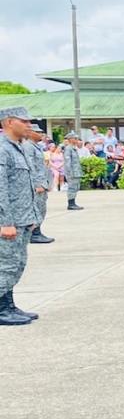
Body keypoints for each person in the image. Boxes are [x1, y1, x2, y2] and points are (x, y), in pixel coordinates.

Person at [0, 107, 42, 325]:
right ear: (8, 122)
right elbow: (1, 188)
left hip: (23, 219)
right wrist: (5, 222)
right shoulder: (2, 149)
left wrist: (32, 215)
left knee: (16, 265)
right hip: (9, 222)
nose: (29, 125)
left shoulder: (19, 148)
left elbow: (24, 185)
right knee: (5, 266)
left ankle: (8, 306)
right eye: (24, 121)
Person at [23, 123, 54, 244]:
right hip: (37, 185)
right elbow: (31, 167)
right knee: (37, 209)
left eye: (41, 132)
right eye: (38, 132)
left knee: (41, 209)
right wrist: (37, 184)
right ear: (30, 133)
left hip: (42, 183)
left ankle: (36, 232)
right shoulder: (28, 147)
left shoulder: (36, 146)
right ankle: (34, 233)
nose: (41, 134)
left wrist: (46, 182)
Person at [62, 132, 84, 210]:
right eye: (75, 138)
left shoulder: (73, 148)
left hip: (76, 172)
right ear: (70, 139)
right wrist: (69, 173)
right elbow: (67, 162)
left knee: (75, 188)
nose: (77, 140)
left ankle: (73, 202)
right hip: (72, 173)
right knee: (72, 188)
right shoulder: (68, 149)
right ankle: (71, 204)